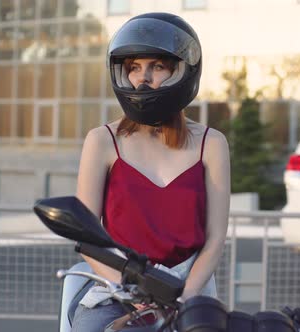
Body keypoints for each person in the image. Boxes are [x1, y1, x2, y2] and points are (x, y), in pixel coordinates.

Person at [71, 12, 231, 332]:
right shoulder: (102, 141)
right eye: (134, 67)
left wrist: (185, 294)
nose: (142, 78)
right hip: (116, 290)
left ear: (180, 71)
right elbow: (85, 235)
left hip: (189, 292)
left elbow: (215, 239)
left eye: (156, 66)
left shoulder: (211, 143)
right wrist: (131, 287)